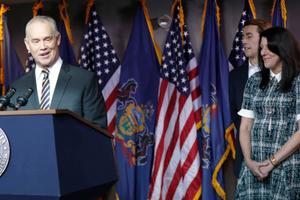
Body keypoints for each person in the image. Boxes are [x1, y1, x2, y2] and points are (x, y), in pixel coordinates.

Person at [235, 27, 300, 199]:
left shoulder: (298, 81)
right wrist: (249, 162)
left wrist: (271, 162)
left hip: (286, 167)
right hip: (254, 166)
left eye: (267, 47)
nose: (262, 52)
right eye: (261, 48)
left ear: (282, 48)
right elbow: (245, 128)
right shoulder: (254, 81)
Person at [9, 15, 107, 129]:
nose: (43, 47)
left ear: (58, 39)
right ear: (27, 45)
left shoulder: (85, 80)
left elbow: (97, 131)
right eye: (36, 41)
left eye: (47, 39)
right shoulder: (17, 88)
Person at [229, 19, 271, 177]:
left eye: (248, 36)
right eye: (242, 37)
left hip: (278, 155)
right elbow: (234, 114)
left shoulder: (283, 73)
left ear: (264, 39)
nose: (243, 41)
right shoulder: (234, 76)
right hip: (245, 158)